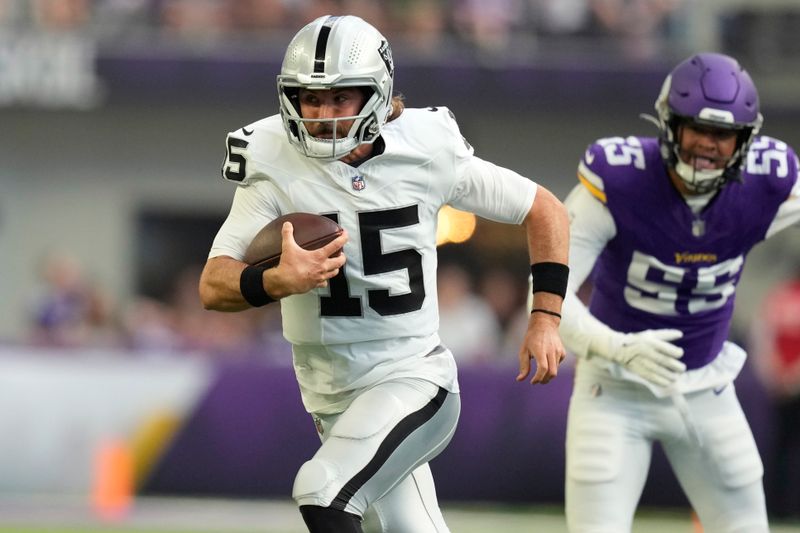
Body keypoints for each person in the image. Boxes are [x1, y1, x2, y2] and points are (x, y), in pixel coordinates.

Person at [198, 15, 569, 532]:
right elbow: (213, 283)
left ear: (376, 95)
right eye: (310, 98)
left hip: (414, 379)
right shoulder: (272, 158)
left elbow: (544, 209)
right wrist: (274, 281)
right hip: (331, 397)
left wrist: (545, 317)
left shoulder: (427, 147)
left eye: (340, 98)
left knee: (322, 490)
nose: (323, 114)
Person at [558, 52, 800, 532]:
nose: (708, 146)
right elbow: (545, 298)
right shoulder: (618, 179)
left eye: (723, 134)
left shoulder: (769, 182)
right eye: (697, 129)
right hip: (613, 387)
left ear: (744, 141)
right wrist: (616, 347)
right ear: (669, 124)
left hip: (707, 385)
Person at [750, 270, 800, 519]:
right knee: (780, 450)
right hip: (783, 387)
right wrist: (782, 376)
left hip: (783, 383)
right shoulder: (782, 296)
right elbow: (763, 335)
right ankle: (777, 510)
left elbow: (762, 336)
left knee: (781, 450)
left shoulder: (780, 296)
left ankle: (779, 509)